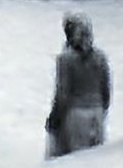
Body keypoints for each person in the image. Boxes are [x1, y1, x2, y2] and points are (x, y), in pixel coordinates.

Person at [46, 12, 112, 157]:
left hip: (75, 116)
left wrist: (53, 120)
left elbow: (63, 94)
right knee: (96, 160)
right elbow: (106, 91)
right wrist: (102, 111)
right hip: (97, 113)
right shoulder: (100, 57)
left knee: (74, 162)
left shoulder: (65, 59)